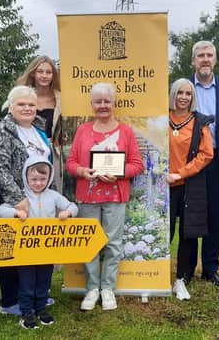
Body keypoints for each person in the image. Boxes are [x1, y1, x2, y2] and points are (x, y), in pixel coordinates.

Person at [66, 83, 144, 311]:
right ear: (91, 104)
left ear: (113, 103)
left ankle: (108, 288)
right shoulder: (82, 131)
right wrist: (82, 171)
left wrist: (119, 174)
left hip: (115, 195)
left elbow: (137, 164)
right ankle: (92, 288)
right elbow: (71, 163)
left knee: (112, 243)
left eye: (106, 101)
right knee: (89, 243)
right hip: (87, 195)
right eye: (98, 102)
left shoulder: (126, 132)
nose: (102, 106)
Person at [0, 85, 52, 316]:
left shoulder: (38, 128)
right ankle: (10, 301)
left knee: (35, 247)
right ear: (11, 106)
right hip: (14, 200)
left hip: (40, 199)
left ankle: (36, 294)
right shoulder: (2, 131)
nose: (27, 108)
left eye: (31, 105)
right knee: (12, 250)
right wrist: (17, 199)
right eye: (21, 104)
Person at [0, 156, 78, 330]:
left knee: (44, 281)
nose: (38, 183)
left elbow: (72, 205)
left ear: (49, 177)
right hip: (25, 250)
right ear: (26, 177)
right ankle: (26, 311)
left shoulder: (54, 196)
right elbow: (0, 210)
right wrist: (15, 213)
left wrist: (68, 213)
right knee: (27, 282)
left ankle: (41, 308)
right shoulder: (21, 196)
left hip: (46, 249)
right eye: (34, 179)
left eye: (43, 179)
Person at [189, 40, 219, 286]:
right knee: (190, 213)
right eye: (200, 55)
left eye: (209, 55)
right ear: (193, 61)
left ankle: (210, 268)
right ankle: (186, 269)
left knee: (215, 215)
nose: (205, 59)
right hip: (190, 160)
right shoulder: (184, 87)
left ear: (215, 60)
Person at [167, 78, 214, 300]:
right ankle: (154, 276)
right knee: (163, 232)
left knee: (188, 232)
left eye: (188, 93)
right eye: (179, 93)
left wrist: (182, 173)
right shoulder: (161, 118)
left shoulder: (200, 122)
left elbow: (207, 154)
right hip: (163, 186)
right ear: (173, 94)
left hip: (188, 186)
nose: (183, 97)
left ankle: (181, 279)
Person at [17, 56, 65, 192]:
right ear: (33, 73)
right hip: (27, 151)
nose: (45, 76)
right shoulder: (21, 96)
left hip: (54, 153)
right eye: (40, 71)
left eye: (48, 72)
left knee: (53, 193)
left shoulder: (61, 99)